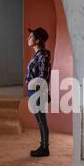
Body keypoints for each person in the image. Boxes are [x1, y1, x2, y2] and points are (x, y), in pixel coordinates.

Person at [26, 27, 51, 157]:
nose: (27, 39)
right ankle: (43, 146)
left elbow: (43, 77)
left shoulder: (43, 56)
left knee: (42, 121)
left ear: (37, 40)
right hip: (34, 92)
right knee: (40, 121)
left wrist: (40, 92)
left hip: (38, 92)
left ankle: (45, 148)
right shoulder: (38, 56)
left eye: (30, 37)